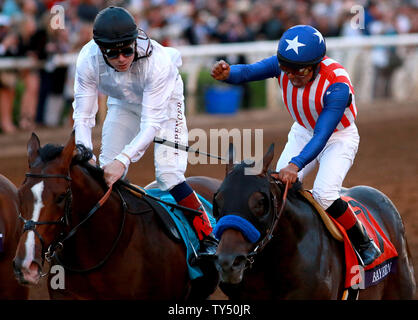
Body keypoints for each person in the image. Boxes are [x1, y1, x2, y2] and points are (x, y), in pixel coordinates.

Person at [211, 25, 381, 266]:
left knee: (324, 195)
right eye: (285, 70)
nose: (290, 76)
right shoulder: (288, 64)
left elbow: (322, 135)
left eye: (297, 71)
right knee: (280, 188)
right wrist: (228, 74)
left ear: (315, 65)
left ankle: (363, 241)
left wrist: (296, 164)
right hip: (303, 130)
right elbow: (248, 72)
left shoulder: (337, 85)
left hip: (337, 137)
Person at [72, 6, 217, 258]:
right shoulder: (87, 58)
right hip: (122, 103)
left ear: (135, 42)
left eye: (127, 50)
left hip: (165, 104)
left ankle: (208, 236)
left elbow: (151, 124)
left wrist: (124, 160)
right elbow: (83, 116)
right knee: (105, 171)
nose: (121, 59)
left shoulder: (158, 62)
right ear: (99, 49)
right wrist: (86, 153)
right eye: (113, 53)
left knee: (169, 174)